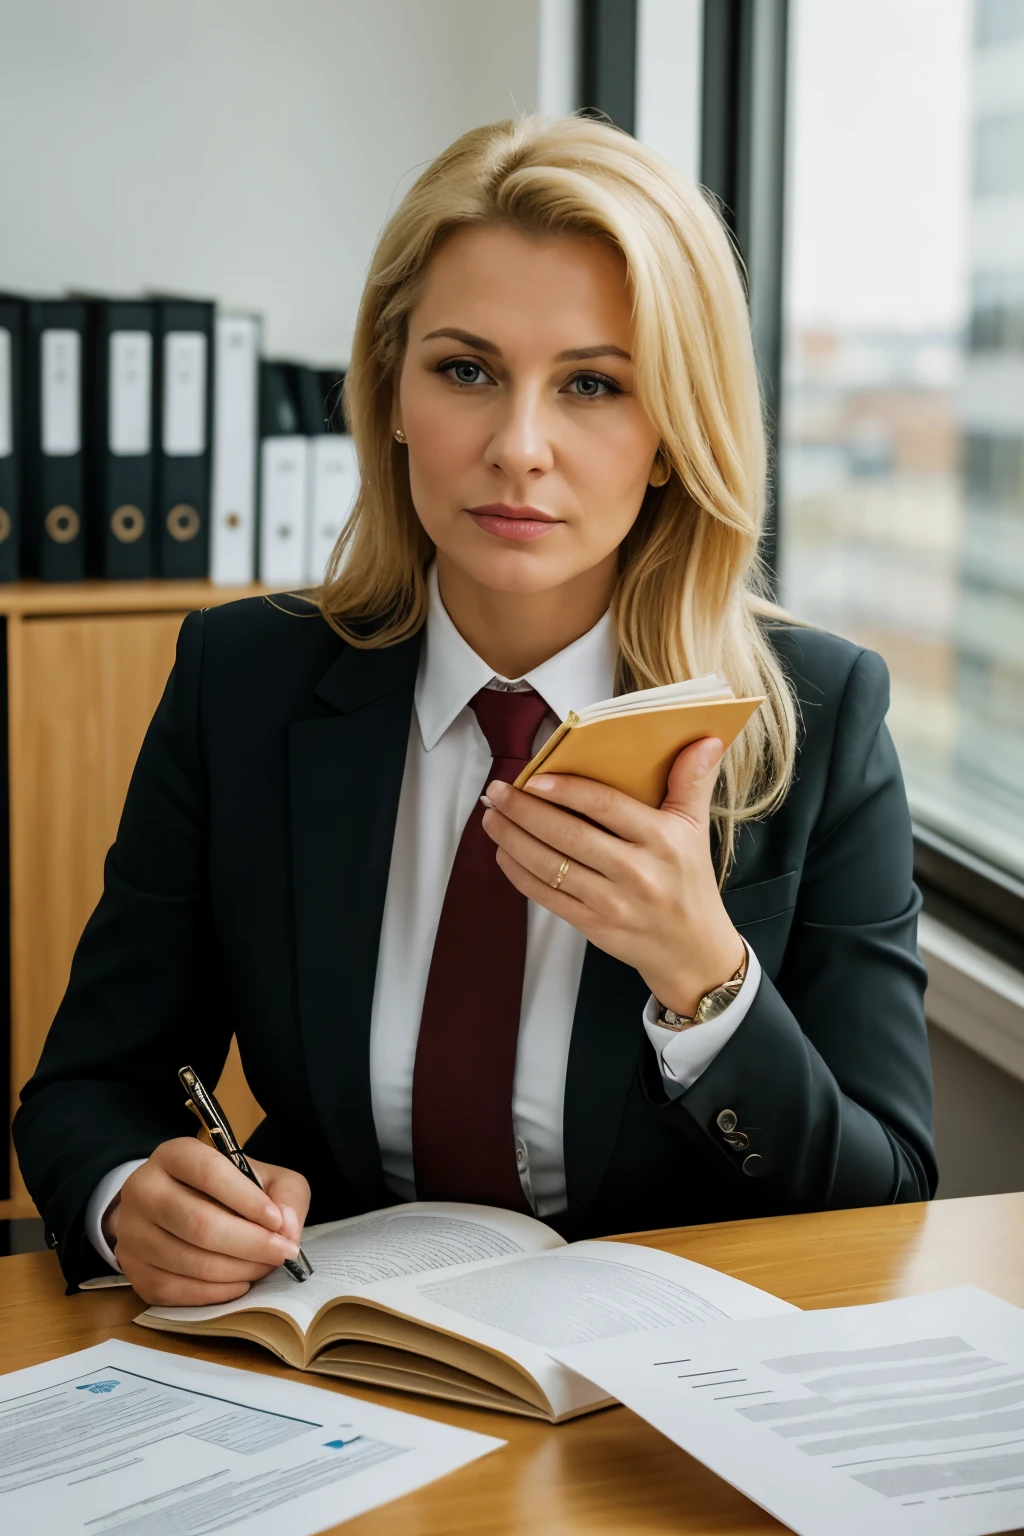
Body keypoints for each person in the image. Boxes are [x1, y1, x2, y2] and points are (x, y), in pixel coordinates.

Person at [14, 113, 935, 1303]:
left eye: (594, 385)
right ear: (391, 391)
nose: (518, 448)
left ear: (670, 437)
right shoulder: (240, 681)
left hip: (659, 1394)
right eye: (465, 371)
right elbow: (88, 1089)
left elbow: (886, 1200)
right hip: (331, 1360)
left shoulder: (818, 717)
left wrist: (704, 978)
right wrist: (126, 1198)